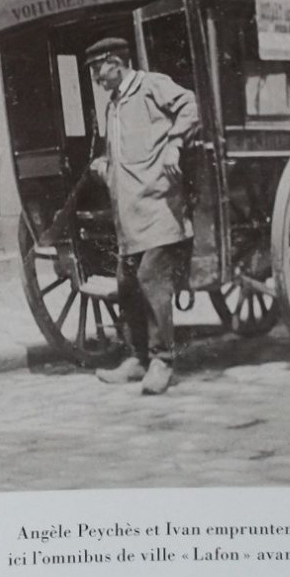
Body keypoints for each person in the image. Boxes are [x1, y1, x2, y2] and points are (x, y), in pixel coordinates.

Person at [84, 35, 199, 396]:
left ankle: (162, 360)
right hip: (128, 213)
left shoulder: (151, 86)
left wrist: (175, 143)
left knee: (152, 278)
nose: (96, 78)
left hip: (159, 208)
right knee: (127, 283)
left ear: (116, 63)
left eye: (98, 69)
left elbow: (189, 104)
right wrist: (105, 165)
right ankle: (137, 358)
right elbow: (117, 148)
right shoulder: (113, 104)